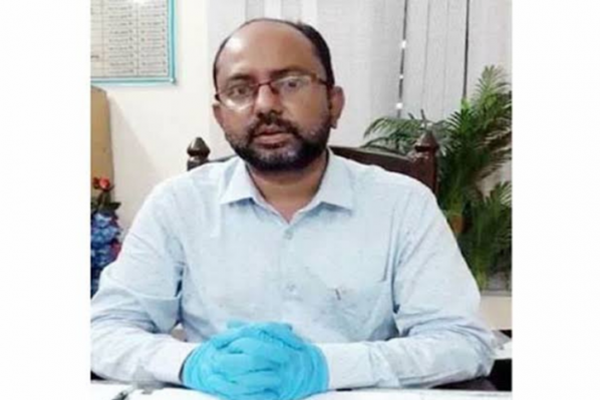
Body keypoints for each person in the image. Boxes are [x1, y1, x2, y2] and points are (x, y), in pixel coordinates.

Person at [91, 18, 494, 400]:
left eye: (290, 83)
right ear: (220, 115)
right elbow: (104, 332)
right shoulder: (177, 204)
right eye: (240, 90)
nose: (265, 105)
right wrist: (192, 363)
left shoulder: (402, 204)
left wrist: (326, 367)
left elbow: (462, 342)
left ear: (334, 103)